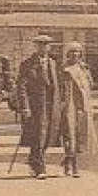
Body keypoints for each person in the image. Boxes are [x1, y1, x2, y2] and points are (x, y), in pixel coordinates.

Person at [16, 35, 61, 179]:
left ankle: (33, 160)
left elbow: (58, 84)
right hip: (35, 105)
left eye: (46, 45)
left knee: (49, 136)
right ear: (35, 47)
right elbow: (21, 87)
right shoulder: (27, 64)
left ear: (50, 47)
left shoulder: (53, 63)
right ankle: (39, 167)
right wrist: (25, 107)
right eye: (40, 45)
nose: (43, 47)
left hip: (52, 105)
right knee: (38, 136)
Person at [58, 42, 98, 177]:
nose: (75, 54)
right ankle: (70, 165)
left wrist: (86, 73)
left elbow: (90, 84)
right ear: (68, 54)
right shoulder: (64, 69)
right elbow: (60, 89)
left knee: (80, 134)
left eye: (78, 52)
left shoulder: (83, 68)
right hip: (70, 105)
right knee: (69, 134)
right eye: (72, 52)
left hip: (83, 105)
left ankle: (72, 162)